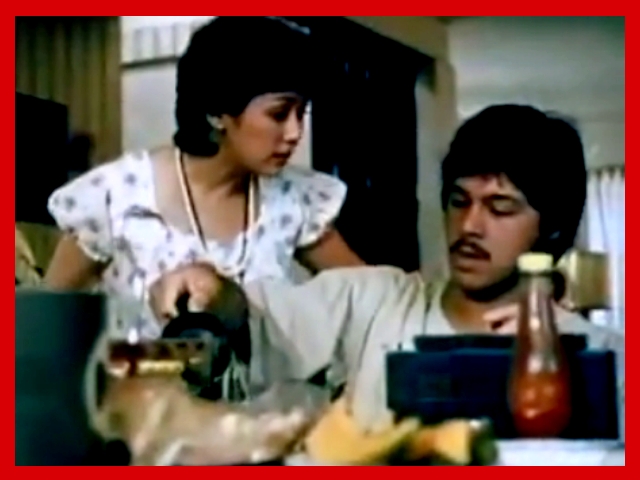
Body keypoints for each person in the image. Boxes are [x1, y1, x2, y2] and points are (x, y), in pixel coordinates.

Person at [166, 105, 624, 435]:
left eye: (500, 208)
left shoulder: (604, 360)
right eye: (458, 201)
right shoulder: (376, 300)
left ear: (551, 228)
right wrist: (215, 292)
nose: (470, 225)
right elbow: (259, 318)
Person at [45, 17, 363, 339]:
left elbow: (372, 298)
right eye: (279, 114)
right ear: (217, 112)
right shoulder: (116, 195)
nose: (294, 133)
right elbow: (42, 322)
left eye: (301, 114)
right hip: (142, 372)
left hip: (263, 374)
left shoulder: (295, 200)